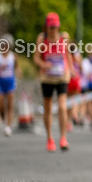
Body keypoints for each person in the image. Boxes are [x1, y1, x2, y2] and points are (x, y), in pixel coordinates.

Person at [35, 12, 73, 152]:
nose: (53, 30)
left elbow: (67, 54)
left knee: (63, 107)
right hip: (47, 78)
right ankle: (50, 138)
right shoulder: (42, 38)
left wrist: (71, 68)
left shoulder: (64, 37)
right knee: (48, 107)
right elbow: (36, 58)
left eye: (55, 27)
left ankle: (63, 138)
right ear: (46, 27)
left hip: (62, 76)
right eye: (51, 27)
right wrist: (44, 65)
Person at [0, 39, 17, 136]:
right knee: (1, 103)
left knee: (10, 105)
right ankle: (2, 117)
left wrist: (18, 71)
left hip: (10, 82)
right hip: (0, 83)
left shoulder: (13, 56)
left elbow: (16, 67)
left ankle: (8, 126)